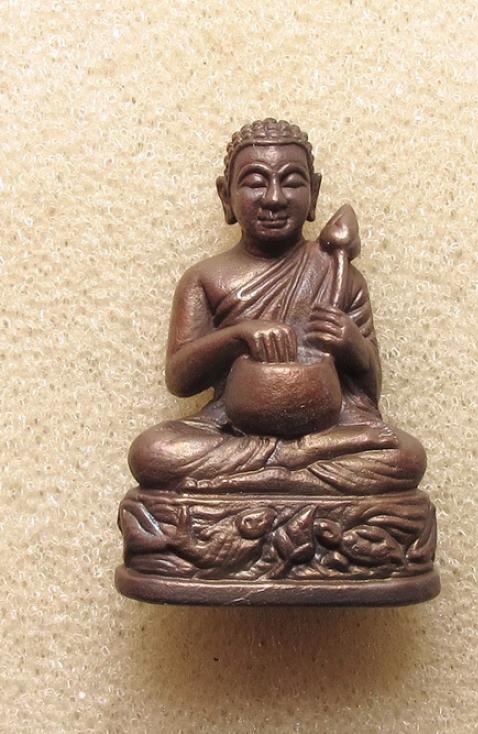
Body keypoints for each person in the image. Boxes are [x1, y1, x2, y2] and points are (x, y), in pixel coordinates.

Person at [128, 119, 426, 495]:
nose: (273, 198)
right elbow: (179, 379)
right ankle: (293, 461)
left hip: (327, 424)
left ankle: (273, 468)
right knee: (153, 451)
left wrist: (353, 346)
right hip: (233, 427)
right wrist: (236, 338)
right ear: (226, 196)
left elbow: (369, 393)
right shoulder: (205, 278)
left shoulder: (340, 275)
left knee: (407, 455)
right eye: (255, 182)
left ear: (314, 193)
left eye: (291, 182)